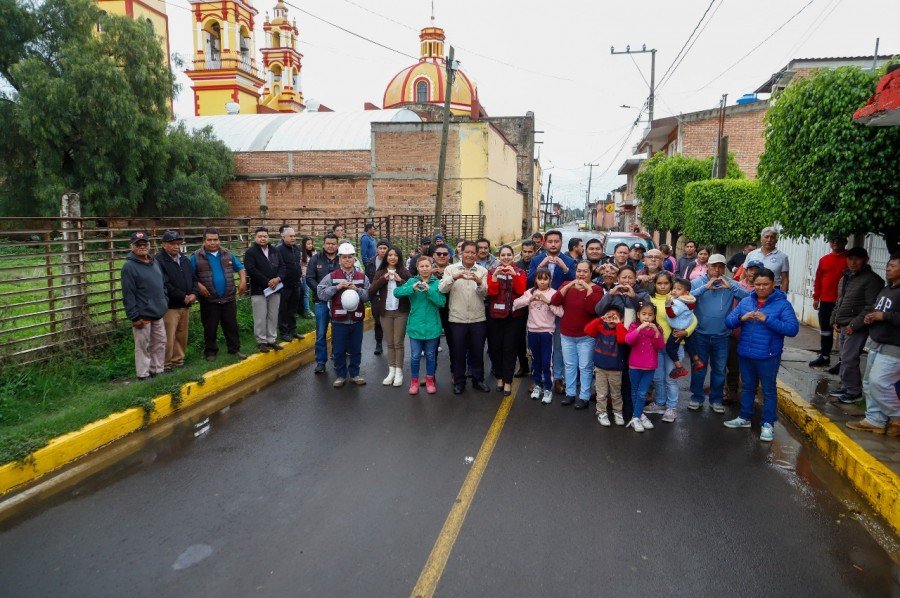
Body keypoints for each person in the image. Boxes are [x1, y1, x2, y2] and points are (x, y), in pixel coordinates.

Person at [724, 268, 800, 442]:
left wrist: (768, 319)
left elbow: (792, 329)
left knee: (768, 390)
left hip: (768, 355)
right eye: (757, 284)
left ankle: (767, 423)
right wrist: (742, 318)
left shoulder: (782, 304)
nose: (761, 287)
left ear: (773, 284)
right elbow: (728, 322)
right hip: (746, 353)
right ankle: (744, 417)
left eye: (765, 284)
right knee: (748, 387)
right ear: (753, 284)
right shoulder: (745, 302)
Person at [846, 253, 899, 436]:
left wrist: (884, 316)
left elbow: (888, 315)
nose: (888, 268)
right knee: (869, 382)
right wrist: (872, 317)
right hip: (878, 341)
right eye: (888, 265)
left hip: (894, 345)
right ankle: (875, 419)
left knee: (880, 382)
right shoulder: (888, 289)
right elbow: (879, 309)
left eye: (893, 266)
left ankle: (897, 415)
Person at [689, 253, 750, 412]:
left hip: (722, 336)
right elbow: (686, 297)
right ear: (707, 266)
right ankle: (696, 397)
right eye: (714, 266)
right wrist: (705, 288)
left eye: (720, 266)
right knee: (699, 368)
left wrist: (731, 286)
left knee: (719, 370)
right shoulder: (697, 282)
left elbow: (748, 297)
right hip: (700, 334)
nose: (717, 270)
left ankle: (716, 399)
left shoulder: (730, 283)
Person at [829, 247, 885, 403]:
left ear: (865, 260)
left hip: (857, 326)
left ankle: (854, 391)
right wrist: (834, 319)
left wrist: (854, 325)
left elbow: (871, 306)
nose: (853, 262)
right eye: (850, 258)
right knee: (844, 357)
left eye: (857, 258)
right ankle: (846, 386)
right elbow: (839, 301)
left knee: (849, 358)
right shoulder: (845, 277)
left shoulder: (872, 280)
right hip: (844, 323)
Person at [644, 271, 697, 423]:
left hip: (674, 345)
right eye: (659, 283)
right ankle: (660, 403)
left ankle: (671, 407)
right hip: (655, 345)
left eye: (666, 283)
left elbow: (693, 320)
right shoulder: (650, 299)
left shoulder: (679, 300)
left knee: (670, 378)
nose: (662, 286)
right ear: (654, 284)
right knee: (658, 378)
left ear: (671, 284)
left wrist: (686, 332)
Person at [527, 230, 576, 394]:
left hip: (559, 309)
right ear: (544, 243)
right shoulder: (536, 259)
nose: (553, 244)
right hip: (540, 310)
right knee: (539, 347)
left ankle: (558, 378)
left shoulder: (568, 260)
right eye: (550, 241)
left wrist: (564, 267)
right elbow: (529, 280)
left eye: (557, 241)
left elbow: (576, 279)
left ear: (561, 243)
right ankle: (538, 378)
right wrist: (541, 266)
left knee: (558, 346)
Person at [439, 241, 490, 394]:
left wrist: (479, 281)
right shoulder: (450, 269)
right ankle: (459, 382)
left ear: (477, 255)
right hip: (457, 319)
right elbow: (442, 289)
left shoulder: (482, 270)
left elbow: (486, 293)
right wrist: (454, 277)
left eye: (473, 252)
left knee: (477, 351)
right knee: (458, 352)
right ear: (461, 253)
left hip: (478, 318)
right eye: (467, 252)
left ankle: (478, 380)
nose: (470, 255)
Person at [317, 242, 370, 387]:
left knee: (356, 349)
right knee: (339, 350)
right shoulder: (331, 276)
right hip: (339, 322)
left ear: (354, 259)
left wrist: (357, 290)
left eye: (350, 257)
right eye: (344, 257)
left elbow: (367, 296)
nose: (347, 260)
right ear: (339, 259)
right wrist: (336, 287)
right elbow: (320, 294)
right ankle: (340, 375)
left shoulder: (362, 277)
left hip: (356, 320)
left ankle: (355, 374)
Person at [190, 227, 247, 362]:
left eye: (215, 239)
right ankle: (210, 352)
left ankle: (234, 349)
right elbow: (190, 276)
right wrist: (199, 286)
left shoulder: (227, 254)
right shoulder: (196, 257)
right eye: (209, 240)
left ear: (219, 240)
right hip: (209, 299)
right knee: (210, 327)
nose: (213, 242)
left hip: (228, 298)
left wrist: (243, 281)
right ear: (204, 241)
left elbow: (240, 268)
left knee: (231, 325)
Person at [551, 261, 603, 409]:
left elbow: (592, 309)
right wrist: (568, 286)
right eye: (579, 271)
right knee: (569, 365)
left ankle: (584, 396)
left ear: (591, 273)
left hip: (586, 336)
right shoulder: (567, 284)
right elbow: (554, 301)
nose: (581, 274)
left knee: (585, 366)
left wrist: (587, 289)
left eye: (585, 271)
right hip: (567, 334)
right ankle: (570, 393)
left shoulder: (597, 289)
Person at [395, 255, 447, 394]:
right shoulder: (412, 281)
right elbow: (397, 292)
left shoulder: (437, 283)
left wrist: (429, 290)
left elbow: (441, 302)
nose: (424, 269)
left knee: (430, 355)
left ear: (432, 267)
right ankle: (414, 382)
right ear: (417, 268)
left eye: (427, 266)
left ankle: (430, 380)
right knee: (415, 356)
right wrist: (411, 288)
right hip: (415, 326)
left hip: (432, 326)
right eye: (421, 266)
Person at [122, 231, 168, 380]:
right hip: (143, 315)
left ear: (149, 245)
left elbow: (162, 284)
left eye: (144, 244)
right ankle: (143, 374)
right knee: (143, 346)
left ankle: (158, 369)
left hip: (158, 312)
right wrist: (134, 316)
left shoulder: (154, 262)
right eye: (138, 244)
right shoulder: (129, 267)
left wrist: (164, 300)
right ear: (132, 247)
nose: (142, 247)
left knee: (160, 342)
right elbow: (128, 294)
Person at [513, 268, 562, 403]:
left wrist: (548, 302)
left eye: (545, 279)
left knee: (546, 362)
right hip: (532, 331)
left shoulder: (554, 293)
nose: (542, 282)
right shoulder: (530, 292)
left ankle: (547, 388)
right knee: (536, 361)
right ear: (535, 279)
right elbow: (515, 304)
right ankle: (538, 385)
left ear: (550, 280)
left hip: (547, 332)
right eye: (539, 279)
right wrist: (529, 299)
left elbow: (561, 312)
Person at [486, 245, 527, 395]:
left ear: (513, 256)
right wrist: (495, 276)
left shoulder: (520, 271)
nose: (506, 258)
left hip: (514, 317)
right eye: (503, 255)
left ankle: (508, 380)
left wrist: (514, 274)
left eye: (509, 255)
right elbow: (492, 292)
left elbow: (520, 290)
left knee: (509, 348)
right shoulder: (492, 272)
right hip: (496, 316)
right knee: (496, 348)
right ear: (499, 257)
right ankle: (499, 378)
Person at [369, 246, 411, 388]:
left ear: (399, 257)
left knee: (398, 342)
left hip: (401, 312)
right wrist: (383, 279)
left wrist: (400, 280)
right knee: (390, 343)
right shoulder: (380, 272)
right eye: (390, 255)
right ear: (386, 257)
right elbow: (371, 290)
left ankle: (399, 372)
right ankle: (391, 371)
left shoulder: (404, 272)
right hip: (385, 312)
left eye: (395, 255)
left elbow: (411, 290)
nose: (392, 257)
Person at [156, 230, 198, 370]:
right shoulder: (159, 260)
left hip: (186, 304)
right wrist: (182, 296)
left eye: (178, 243)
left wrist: (193, 294)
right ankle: (166, 364)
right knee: (168, 336)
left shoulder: (183, 259)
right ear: (164, 245)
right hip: (170, 306)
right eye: (172, 243)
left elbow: (193, 278)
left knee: (181, 335)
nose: (176, 246)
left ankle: (178, 360)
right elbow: (165, 283)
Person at [624, 303, 665, 432]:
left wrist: (657, 332)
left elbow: (660, 346)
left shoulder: (657, 329)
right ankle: (639, 415)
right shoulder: (633, 326)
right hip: (635, 365)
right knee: (635, 392)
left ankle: (636, 417)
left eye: (650, 315)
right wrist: (638, 329)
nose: (647, 317)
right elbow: (628, 340)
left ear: (654, 317)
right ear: (638, 315)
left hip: (649, 366)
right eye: (644, 314)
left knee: (642, 393)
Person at [584, 306, 628, 427]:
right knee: (601, 393)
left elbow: (622, 339)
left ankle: (618, 412)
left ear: (621, 319)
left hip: (616, 369)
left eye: (615, 317)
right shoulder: (600, 328)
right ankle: (601, 412)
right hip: (600, 368)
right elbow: (587, 330)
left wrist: (619, 324)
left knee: (616, 393)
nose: (611, 319)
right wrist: (601, 319)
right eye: (609, 316)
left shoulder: (621, 329)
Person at [809, 236, 848, 368]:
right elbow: (818, 280)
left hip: (843, 302)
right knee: (825, 330)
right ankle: (825, 356)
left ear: (845, 242)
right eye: (833, 240)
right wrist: (816, 297)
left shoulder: (850, 259)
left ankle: (843, 362)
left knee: (844, 332)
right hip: (825, 300)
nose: (836, 242)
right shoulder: (824, 260)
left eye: (839, 240)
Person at [244, 227, 285, 353]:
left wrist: (277, 279)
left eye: (265, 236)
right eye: (260, 236)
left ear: (268, 237)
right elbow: (251, 269)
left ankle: (272, 339)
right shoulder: (251, 252)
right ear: (255, 238)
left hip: (275, 288)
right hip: (259, 290)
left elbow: (282, 266)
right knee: (260, 316)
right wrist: (268, 281)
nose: (263, 238)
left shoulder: (275, 250)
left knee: (273, 315)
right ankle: (261, 341)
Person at [306, 233, 340, 374]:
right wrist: (322, 292)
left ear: (337, 245)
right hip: (321, 302)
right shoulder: (315, 259)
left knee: (338, 332)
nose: (331, 246)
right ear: (323, 244)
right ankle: (321, 362)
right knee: (321, 333)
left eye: (333, 243)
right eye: (328, 243)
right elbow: (309, 278)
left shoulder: (342, 258)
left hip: (339, 302)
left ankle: (338, 358)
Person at [663, 277, 700, 378]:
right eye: (674, 288)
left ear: (686, 292)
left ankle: (679, 367)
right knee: (690, 344)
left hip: (678, 329)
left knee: (670, 348)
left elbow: (672, 315)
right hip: (686, 327)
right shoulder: (690, 300)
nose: (674, 290)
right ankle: (697, 361)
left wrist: (667, 305)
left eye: (678, 289)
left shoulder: (678, 303)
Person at [276, 226, 305, 342]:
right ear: (283, 237)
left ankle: (293, 330)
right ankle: (284, 332)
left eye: (294, 236)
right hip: (284, 285)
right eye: (291, 236)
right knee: (283, 309)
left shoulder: (297, 249)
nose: (293, 238)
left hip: (296, 283)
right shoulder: (278, 250)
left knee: (293, 309)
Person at [745, 227, 790, 291]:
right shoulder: (751, 254)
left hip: (774, 291)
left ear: (776, 240)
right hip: (752, 289)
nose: (769, 240)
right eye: (766, 237)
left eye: (772, 237)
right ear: (761, 239)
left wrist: (783, 296)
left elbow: (785, 279)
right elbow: (744, 274)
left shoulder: (783, 257)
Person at [365, 240, 390, 355]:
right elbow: (368, 280)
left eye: (385, 248)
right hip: (376, 296)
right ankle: (379, 343)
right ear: (377, 250)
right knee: (378, 321)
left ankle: (392, 344)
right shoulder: (371, 263)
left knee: (391, 320)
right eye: (380, 248)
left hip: (390, 296)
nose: (383, 250)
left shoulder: (393, 261)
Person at [299, 237, 316, 318]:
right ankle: (307, 310)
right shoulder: (301, 253)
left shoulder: (314, 252)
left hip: (312, 275)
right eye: (308, 244)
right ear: (304, 244)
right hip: (304, 276)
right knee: (305, 293)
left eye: (311, 243)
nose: (310, 245)